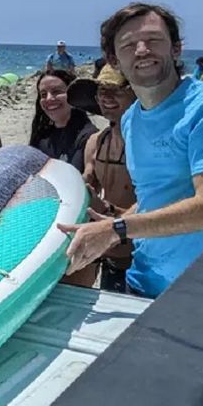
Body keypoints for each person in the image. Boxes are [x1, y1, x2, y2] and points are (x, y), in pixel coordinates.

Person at [59, 2, 203, 299]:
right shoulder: (131, 120)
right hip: (143, 280)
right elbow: (156, 195)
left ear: (176, 49)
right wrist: (113, 223)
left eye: (153, 40)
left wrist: (119, 229)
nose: (141, 50)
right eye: (128, 45)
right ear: (114, 60)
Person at [65, 65, 138, 291]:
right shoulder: (97, 142)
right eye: (101, 90)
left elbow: (155, 202)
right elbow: (85, 186)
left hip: (140, 252)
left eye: (116, 90)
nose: (106, 97)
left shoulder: (144, 145)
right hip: (105, 249)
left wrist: (107, 209)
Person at [29, 69, 97, 172]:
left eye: (56, 92)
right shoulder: (41, 137)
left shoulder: (88, 137)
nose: (49, 98)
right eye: (43, 94)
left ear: (73, 95)